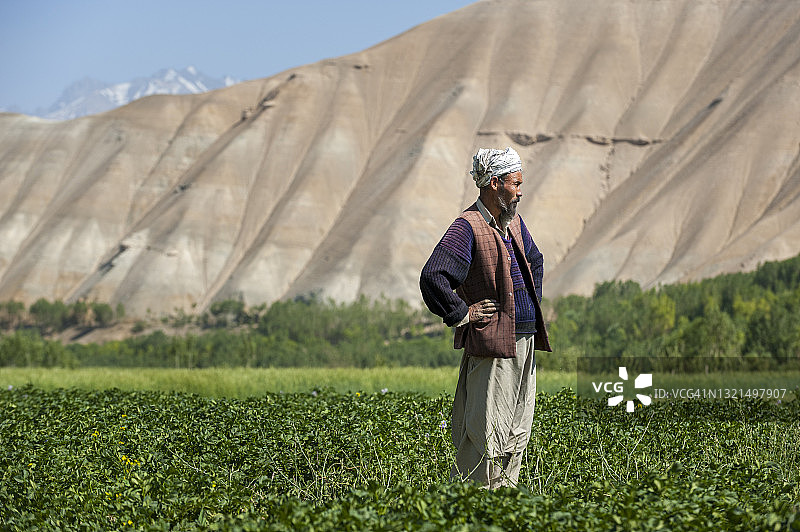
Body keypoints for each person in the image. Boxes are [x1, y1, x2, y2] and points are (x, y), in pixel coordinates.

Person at [419, 146, 551, 489]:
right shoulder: (467, 226)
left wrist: (527, 307)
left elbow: (535, 261)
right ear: (495, 183)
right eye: (516, 184)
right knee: (485, 431)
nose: (520, 191)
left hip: (524, 342)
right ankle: (473, 505)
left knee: (516, 431)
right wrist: (463, 313)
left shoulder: (514, 224)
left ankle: (503, 505)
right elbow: (434, 276)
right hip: (493, 346)